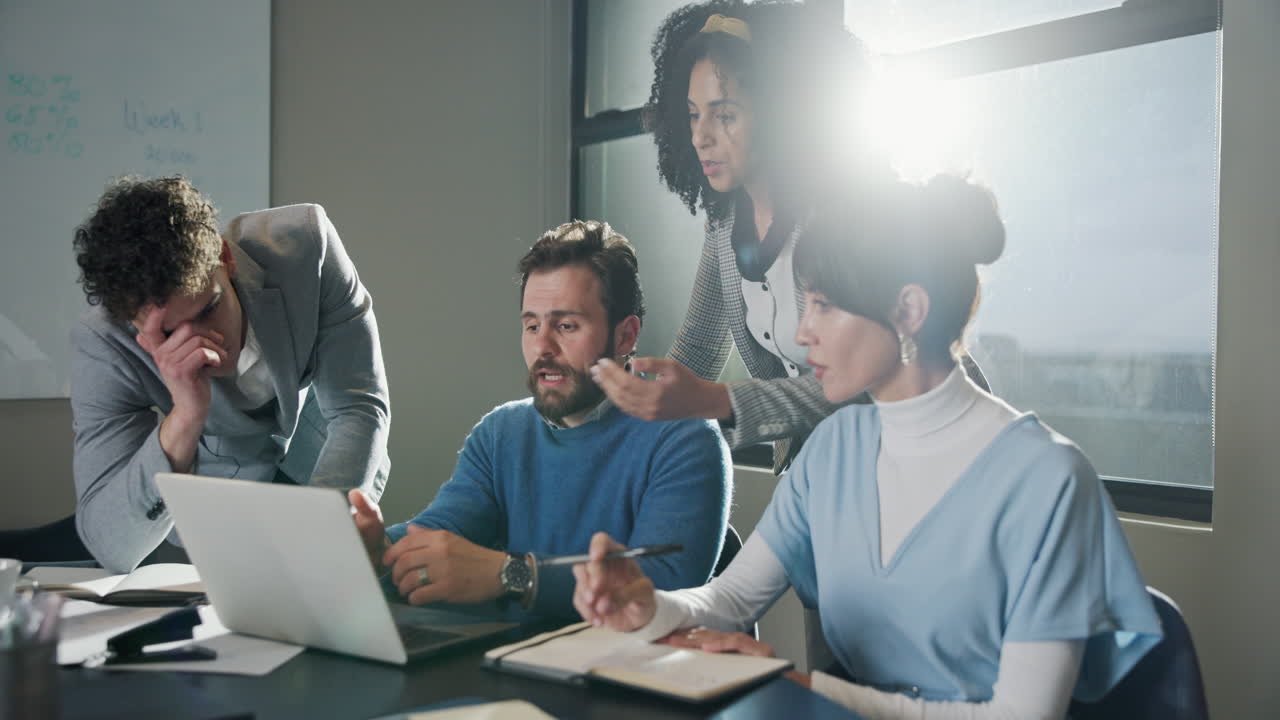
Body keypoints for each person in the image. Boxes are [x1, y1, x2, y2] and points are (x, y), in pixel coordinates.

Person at [572, 175, 1162, 718]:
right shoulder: (831, 450)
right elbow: (729, 600)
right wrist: (648, 606)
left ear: (908, 310)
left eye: (824, 305)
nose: (802, 333)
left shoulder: (1048, 481)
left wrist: (803, 687)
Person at [350, 220, 731, 620]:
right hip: (510, 672)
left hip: (628, 675)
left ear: (625, 336)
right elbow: (442, 532)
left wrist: (513, 575)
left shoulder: (684, 436)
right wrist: (378, 551)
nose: (542, 347)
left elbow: (664, 586)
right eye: (531, 325)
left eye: (566, 326)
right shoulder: (500, 434)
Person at [590, 0, 906, 471]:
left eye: (725, 114)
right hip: (825, 461)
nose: (700, 136)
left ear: (782, 115)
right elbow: (698, 347)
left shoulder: (844, 216)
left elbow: (858, 377)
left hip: (909, 447)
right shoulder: (724, 223)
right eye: (693, 114)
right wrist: (620, 420)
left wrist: (718, 400)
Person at [71, 176, 391, 573]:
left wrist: (324, 536)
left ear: (225, 256)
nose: (206, 343)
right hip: (214, 517)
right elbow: (111, 545)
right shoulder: (104, 343)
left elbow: (358, 408)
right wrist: (186, 416)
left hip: (326, 472)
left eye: (209, 309)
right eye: (170, 333)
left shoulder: (308, 246)